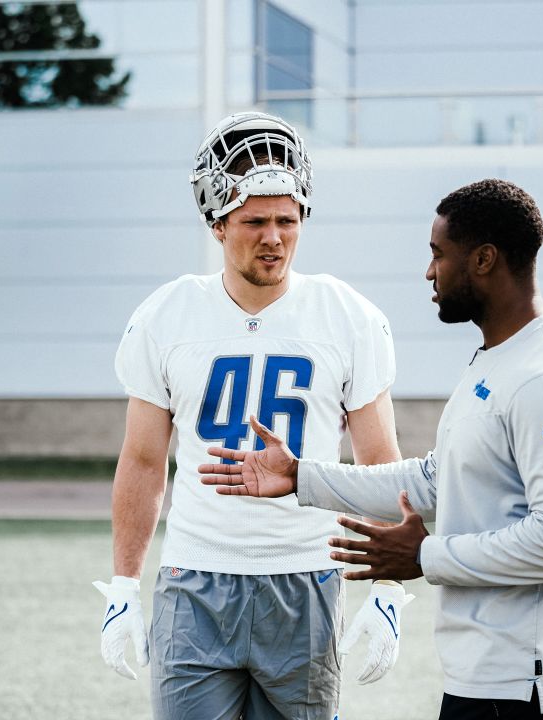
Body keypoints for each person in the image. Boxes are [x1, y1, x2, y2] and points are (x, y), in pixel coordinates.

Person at [201, 178, 543, 719]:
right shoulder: (499, 359)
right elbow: (437, 480)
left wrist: (424, 556)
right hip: (496, 679)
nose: (429, 272)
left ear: (483, 260)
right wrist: (300, 477)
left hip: (537, 688)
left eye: (438, 255)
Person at [91, 111, 412, 720]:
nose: (274, 238)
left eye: (287, 221)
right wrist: (125, 586)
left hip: (305, 579)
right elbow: (141, 461)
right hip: (195, 577)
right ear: (217, 225)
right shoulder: (167, 315)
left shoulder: (348, 317)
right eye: (255, 221)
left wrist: (388, 587)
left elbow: (379, 462)